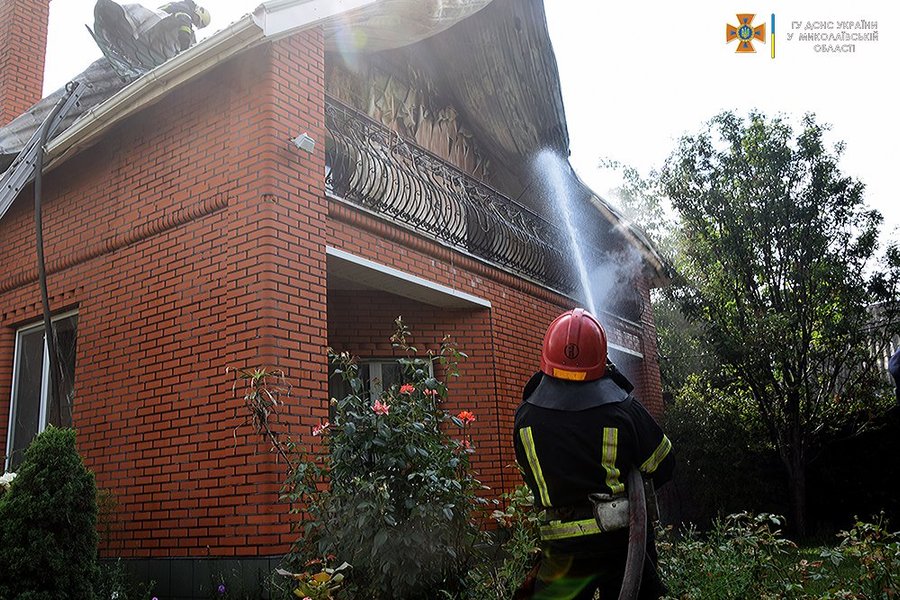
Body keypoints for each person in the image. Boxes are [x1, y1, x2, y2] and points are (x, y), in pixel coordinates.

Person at [514, 308, 674, 600]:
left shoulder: (525, 417)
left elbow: (531, 478)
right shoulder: (622, 408)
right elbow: (664, 463)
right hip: (620, 546)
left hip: (562, 552)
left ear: (547, 355)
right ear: (601, 360)